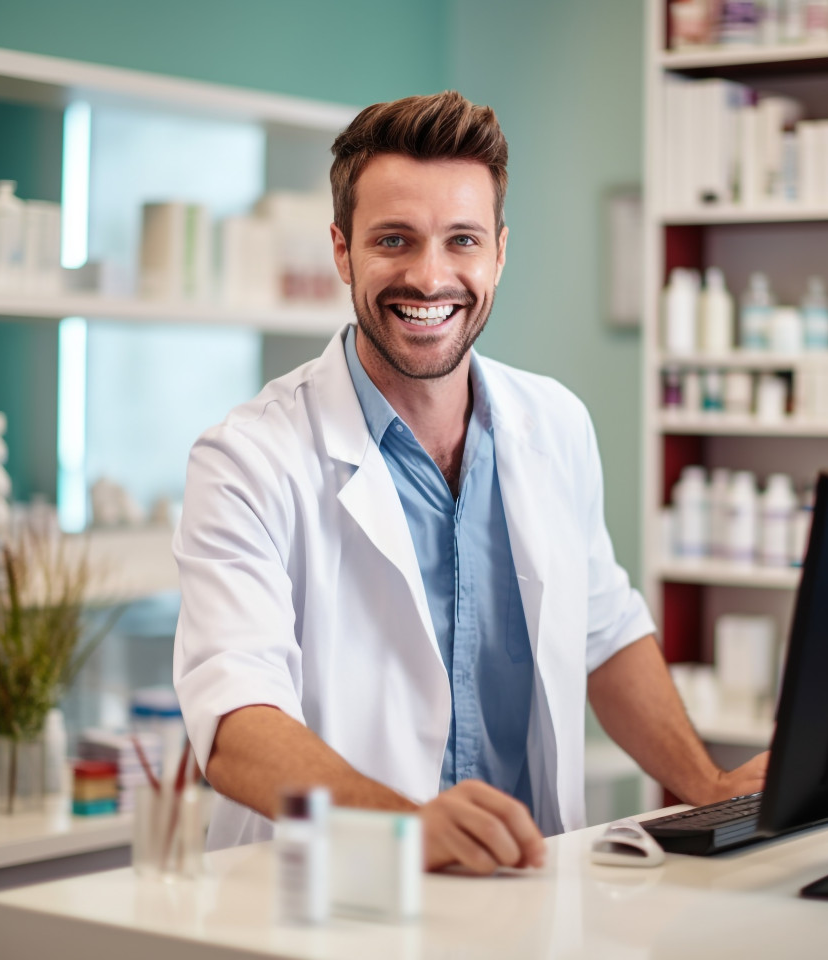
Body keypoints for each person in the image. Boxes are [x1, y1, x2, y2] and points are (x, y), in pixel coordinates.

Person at [173, 90, 767, 875]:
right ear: (342, 251)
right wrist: (405, 828)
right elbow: (237, 724)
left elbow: (607, 633)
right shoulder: (247, 459)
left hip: (525, 894)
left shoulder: (555, 424)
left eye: (462, 240)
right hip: (334, 897)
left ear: (500, 253)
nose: (430, 277)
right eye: (394, 240)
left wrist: (713, 786)